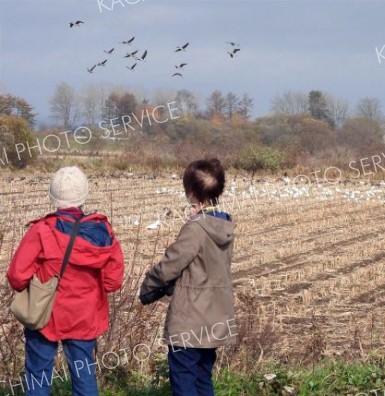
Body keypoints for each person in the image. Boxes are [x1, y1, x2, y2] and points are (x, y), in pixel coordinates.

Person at [7, 166, 124, 396]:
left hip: (45, 315)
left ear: (52, 196)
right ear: (84, 195)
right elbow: (113, 282)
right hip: (85, 316)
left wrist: (34, 285)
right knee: (84, 374)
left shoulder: (41, 230)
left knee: (38, 376)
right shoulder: (103, 232)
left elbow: (16, 276)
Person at [139, 158, 237, 396]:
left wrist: (146, 288)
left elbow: (171, 265)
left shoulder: (196, 228)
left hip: (190, 320)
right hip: (215, 317)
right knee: (203, 379)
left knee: (183, 382)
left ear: (191, 192)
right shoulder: (224, 225)